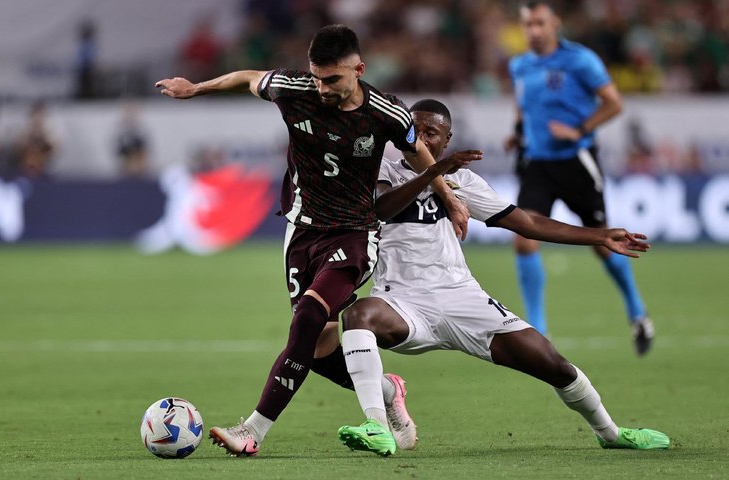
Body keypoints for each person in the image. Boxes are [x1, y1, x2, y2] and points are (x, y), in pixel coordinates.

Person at [155, 24, 479, 457]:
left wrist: (449, 198)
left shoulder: (388, 113)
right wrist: (195, 88)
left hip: (355, 233)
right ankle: (388, 390)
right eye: (316, 77)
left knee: (307, 318)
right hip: (302, 232)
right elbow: (248, 77)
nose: (322, 88)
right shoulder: (293, 89)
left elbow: (417, 150)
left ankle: (252, 431)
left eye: (332, 79)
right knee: (320, 351)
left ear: (359, 70)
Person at [336, 99, 670, 457]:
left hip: (462, 298)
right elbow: (383, 208)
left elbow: (527, 223)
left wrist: (599, 236)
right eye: (414, 130)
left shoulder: (463, 181)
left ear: (447, 140)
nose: (421, 139)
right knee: (357, 315)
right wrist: (436, 172)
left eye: (431, 132)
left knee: (553, 365)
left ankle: (610, 432)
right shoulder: (383, 170)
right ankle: (376, 425)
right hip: (401, 303)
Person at [503, 1, 654, 354]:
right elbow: (523, 104)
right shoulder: (519, 65)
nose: (533, 31)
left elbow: (613, 102)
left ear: (555, 23)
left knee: (602, 243)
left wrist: (579, 130)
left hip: (576, 162)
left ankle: (637, 312)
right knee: (524, 238)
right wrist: (518, 132)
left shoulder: (580, 60)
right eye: (528, 24)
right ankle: (539, 330)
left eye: (539, 23)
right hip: (538, 163)